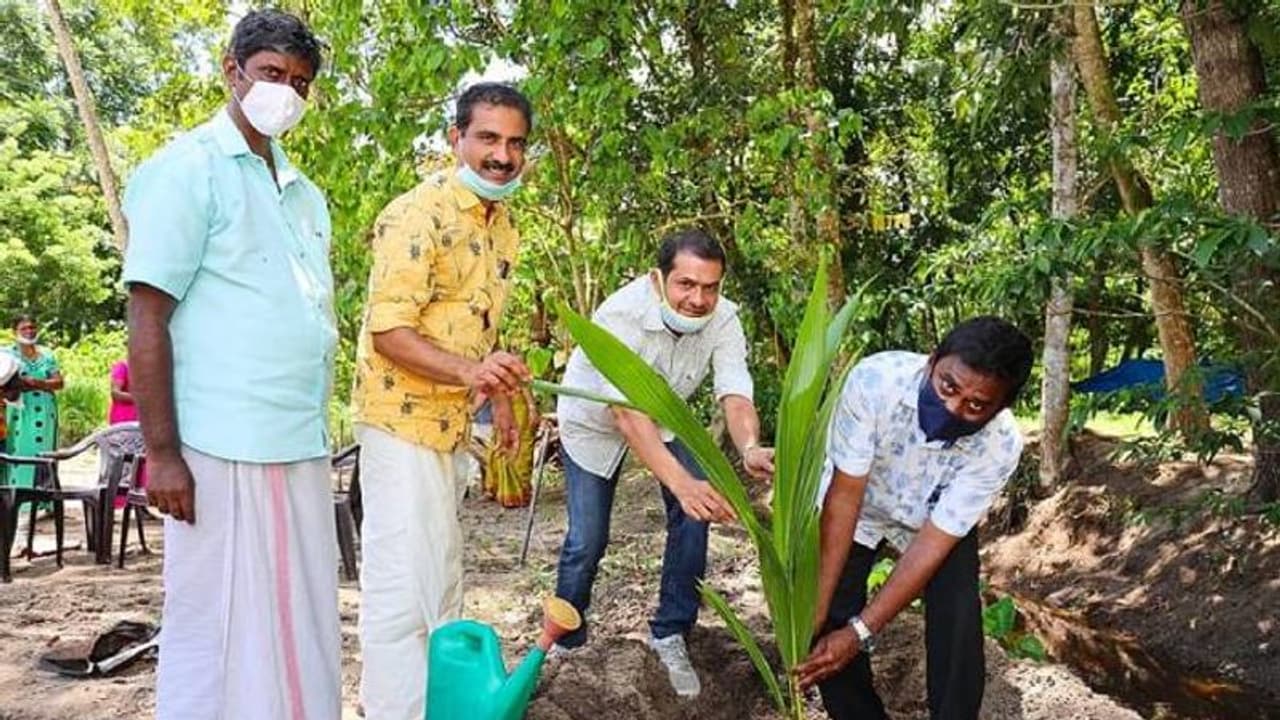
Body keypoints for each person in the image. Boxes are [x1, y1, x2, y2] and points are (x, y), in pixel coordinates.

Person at [121, 10, 339, 720]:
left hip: (295, 438)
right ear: (232, 70)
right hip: (218, 445)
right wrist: (163, 455)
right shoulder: (186, 170)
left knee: (295, 620)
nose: (286, 92)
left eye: (300, 83)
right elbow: (147, 314)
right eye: (272, 74)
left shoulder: (304, 193)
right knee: (214, 625)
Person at [349, 82, 533, 720]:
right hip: (401, 427)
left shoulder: (501, 223)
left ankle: (437, 709)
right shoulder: (417, 214)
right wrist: (473, 372)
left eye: (514, 143)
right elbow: (388, 330)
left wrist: (499, 397)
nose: (502, 155)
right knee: (402, 594)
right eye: (488, 138)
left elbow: (477, 330)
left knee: (440, 583)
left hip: (451, 428)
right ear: (456, 139)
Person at [553, 229, 775, 698]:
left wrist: (751, 447)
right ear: (659, 280)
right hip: (594, 427)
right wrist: (683, 485)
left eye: (710, 287)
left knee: (696, 518)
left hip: (665, 421)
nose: (698, 299)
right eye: (686, 285)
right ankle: (567, 645)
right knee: (587, 540)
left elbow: (734, 390)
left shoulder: (725, 318)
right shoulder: (620, 316)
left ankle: (670, 633)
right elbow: (628, 416)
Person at [794, 316, 1034, 720]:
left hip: (929, 521)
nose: (953, 407)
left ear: (1001, 407)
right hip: (861, 507)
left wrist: (861, 632)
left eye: (976, 406)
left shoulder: (1000, 445)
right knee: (830, 613)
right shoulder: (875, 382)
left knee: (958, 617)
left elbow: (932, 543)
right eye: (947, 387)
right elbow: (845, 497)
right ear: (932, 361)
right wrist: (818, 605)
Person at [3, 315, 63, 487]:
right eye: (24, 328)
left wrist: (39, 383)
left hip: (45, 410)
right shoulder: (7, 354)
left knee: (45, 453)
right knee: (19, 450)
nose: (29, 331)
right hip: (19, 410)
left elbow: (59, 382)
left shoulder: (46, 354)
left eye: (32, 327)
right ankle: (19, 500)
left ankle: (45, 502)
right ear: (15, 331)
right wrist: (21, 385)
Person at [107, 359, 146, 505]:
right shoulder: (122, 366)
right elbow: (115, 393)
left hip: (141, 418)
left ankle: (139, 502)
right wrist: (141, 399)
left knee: (141, 460)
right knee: (123, 461)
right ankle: (116, 500)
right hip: (123, 419)